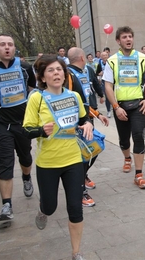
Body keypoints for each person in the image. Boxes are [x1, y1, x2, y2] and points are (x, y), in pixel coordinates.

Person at [23, 55, 93, 260]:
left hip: (73, 160)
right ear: (43, 77)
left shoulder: (73, 96)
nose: (56, 73)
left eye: (59, 70)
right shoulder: (37, 98)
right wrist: (41, 131)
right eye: (51, 70)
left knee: (75, 208)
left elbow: (83, 117)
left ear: (65, 74)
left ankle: (76, 252)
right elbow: (26, 130)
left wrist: (87, 123)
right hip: (48, 163)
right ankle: (42, 210)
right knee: (51, 207)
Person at [0, 33, 36, 221]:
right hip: (1, 124)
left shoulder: (25, 67)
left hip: (23, 123)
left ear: (14, 48)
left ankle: (26, 178)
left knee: (26, 158)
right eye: (2, 45)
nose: (7, 47)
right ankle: (6, 205)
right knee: (5, 162)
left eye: (10, 44)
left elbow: (32, 89)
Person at [102, 26, 145, 189]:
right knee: (124, 139)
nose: (128, 39)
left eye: (130, 36)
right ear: (118, 41)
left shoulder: (144, 58)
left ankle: (139, 174)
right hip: (120, 106)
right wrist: (115, 107)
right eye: (124, 37)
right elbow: (108, 85)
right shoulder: (112, 60)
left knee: (138, 135)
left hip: (139, 104)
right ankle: (127, 158)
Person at [67, 47, 109, 207]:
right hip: (75, 125)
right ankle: (80, 190)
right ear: (82, 57)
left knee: (94, 148)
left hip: (87, 119)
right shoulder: (69, 76)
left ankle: (83, 177)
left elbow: (83, 102)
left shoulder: (85, 71)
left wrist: (97, 114)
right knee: (82, 156)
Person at [95, 51, 112, 117]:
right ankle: (108, 110)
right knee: (107, 96)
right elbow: (97, 73)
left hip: (112, 81)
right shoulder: (100, 64)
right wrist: (100, 74)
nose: (105, 57)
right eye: (103, 56)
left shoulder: (111, 63)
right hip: (104, 81)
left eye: (106, 55)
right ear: (101, 57)